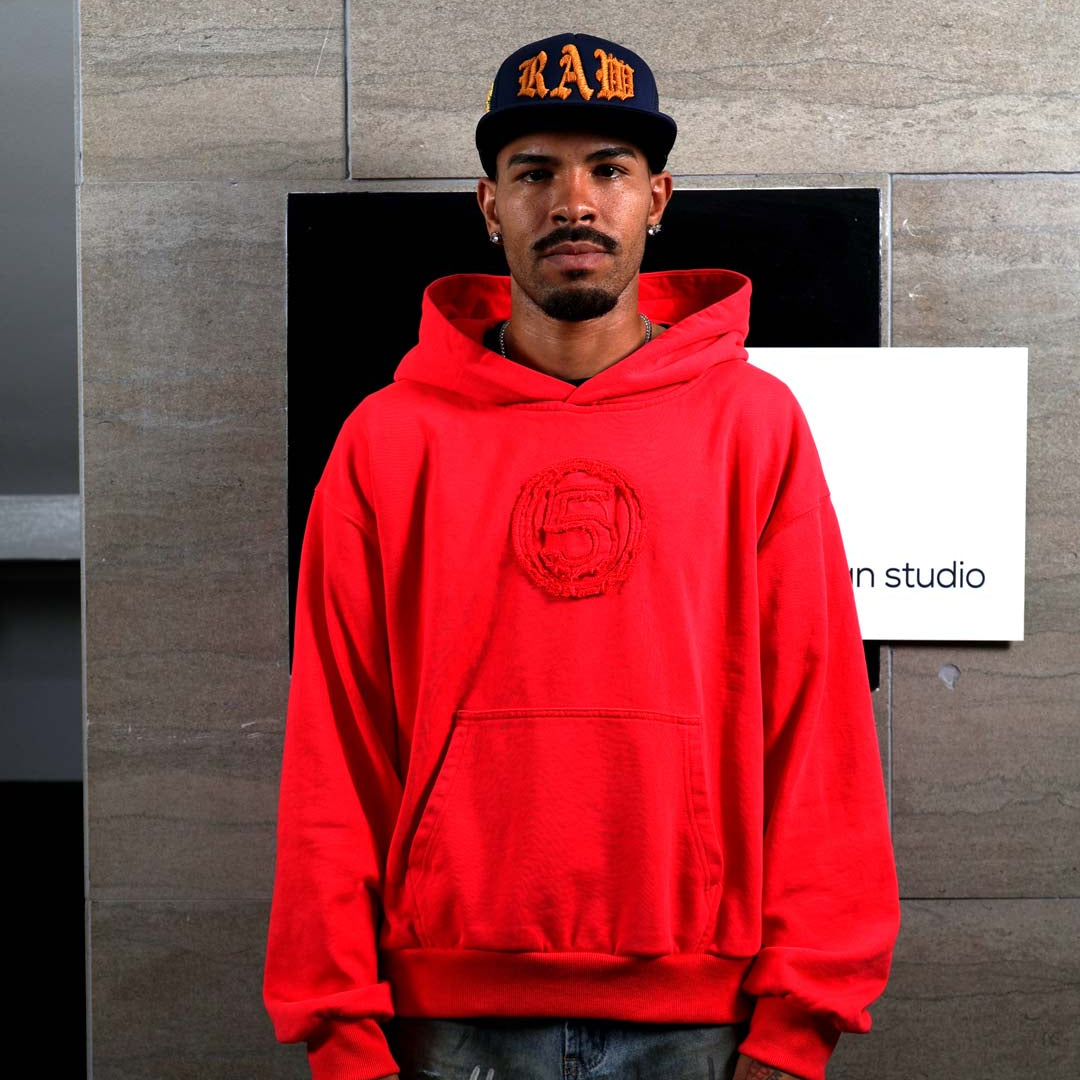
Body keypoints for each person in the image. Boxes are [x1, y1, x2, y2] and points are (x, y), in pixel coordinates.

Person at [262, 31, 901, 1080]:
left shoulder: (753, 426)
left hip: (704, 1010)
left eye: (608, 169)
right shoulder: (390, 439)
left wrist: (802, 1018)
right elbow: (334, 740)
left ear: (657, 199)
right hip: (438, 1015)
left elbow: (817, 722)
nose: (573, 201)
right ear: (489, 204)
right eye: (536, 173)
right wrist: (338, 1027)